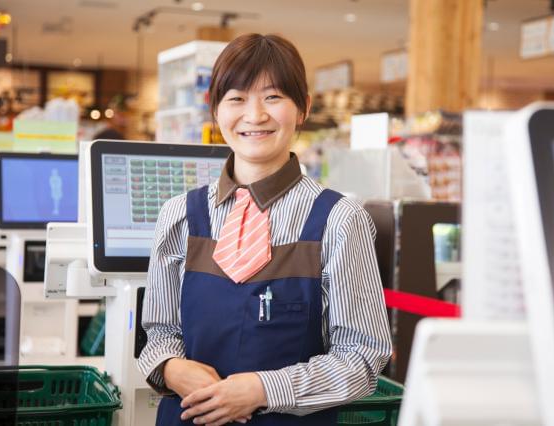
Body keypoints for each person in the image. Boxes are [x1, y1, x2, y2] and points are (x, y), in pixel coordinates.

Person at [138, 33, 392, 426]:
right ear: (215, 110)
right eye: (236, 98)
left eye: (273, 97)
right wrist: (171, 368)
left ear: (303, 108)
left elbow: (362, 358)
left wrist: (263, 389)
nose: (254, 115)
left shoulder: (340, 220)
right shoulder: (179, 216)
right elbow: (160, 333)